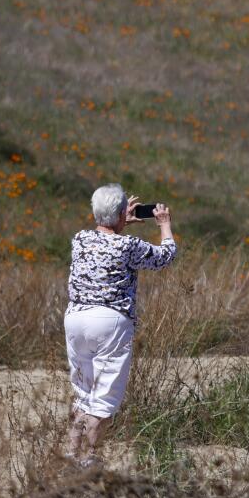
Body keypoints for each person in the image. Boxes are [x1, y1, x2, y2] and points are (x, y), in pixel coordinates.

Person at [62, 184, 176, 465]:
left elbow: (105, 235)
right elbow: (165, 256)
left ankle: (70, 456)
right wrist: (164, 226)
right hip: (110, 321)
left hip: (75, 318)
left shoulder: (80, 239)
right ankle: (89, 459)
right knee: (103, 400)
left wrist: (119, 220)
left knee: (83, 394)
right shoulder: (128, 245)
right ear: (120, 216)